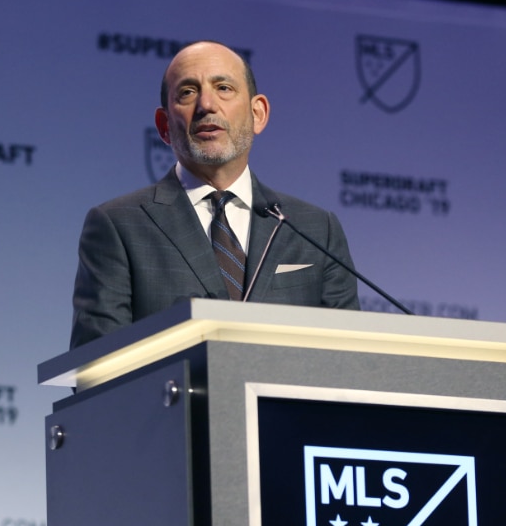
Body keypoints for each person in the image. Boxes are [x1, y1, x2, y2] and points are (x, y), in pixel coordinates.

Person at [70, 40, 359, 349]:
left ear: (257, 113)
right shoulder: (118, 225)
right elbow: (96, 367)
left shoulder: (315, 230)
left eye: (224, 88)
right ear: (164, 125)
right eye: (187, 92)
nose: (206, 104)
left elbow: (352, 360)